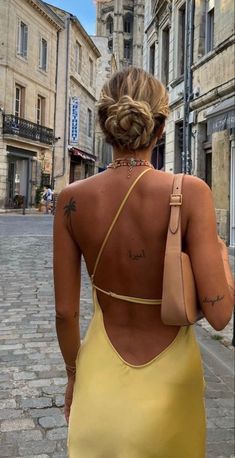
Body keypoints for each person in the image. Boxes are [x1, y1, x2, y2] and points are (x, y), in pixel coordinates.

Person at [53, 68, 234, 458]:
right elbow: (220, 315)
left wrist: (73, 378)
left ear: (103, 124)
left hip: (99, 376)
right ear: (161, 127)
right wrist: (219, 252)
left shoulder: (71, 199)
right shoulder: (189, 192)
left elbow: (65, 313)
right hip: (171, 385)